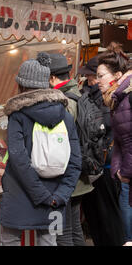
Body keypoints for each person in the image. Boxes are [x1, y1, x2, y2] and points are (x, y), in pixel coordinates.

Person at [0, 52, 82, 246]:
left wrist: (40, 195)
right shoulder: (65, 114)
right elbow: (75, 161)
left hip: (19, 196)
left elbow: (19, 161)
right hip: (55, 198)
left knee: (9, 241)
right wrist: (60, 195)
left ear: (21, 85)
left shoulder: (17, 116)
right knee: (49, 241)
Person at [78, 56, 126, 246]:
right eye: (93, 76)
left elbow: (112, 132)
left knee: (109, 217)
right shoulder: (94, 97)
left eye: (96, 76)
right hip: (101, 164)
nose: (93, 80)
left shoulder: (112, 99)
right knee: (98, 218)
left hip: (107, 167)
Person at [48, 53, 93, 246]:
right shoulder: (79, 94)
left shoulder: (64, 102)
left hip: (65, 179)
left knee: (61, 233)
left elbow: (59, 143)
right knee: (74, 229)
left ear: (52, 78)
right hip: (80, 177)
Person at [97, 42, 132, 245]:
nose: (98, 80)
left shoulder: (127, 97)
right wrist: (119, 169)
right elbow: (119, 140)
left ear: (117, 76)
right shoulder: (117, 99)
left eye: (102, 76)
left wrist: (125, 171)